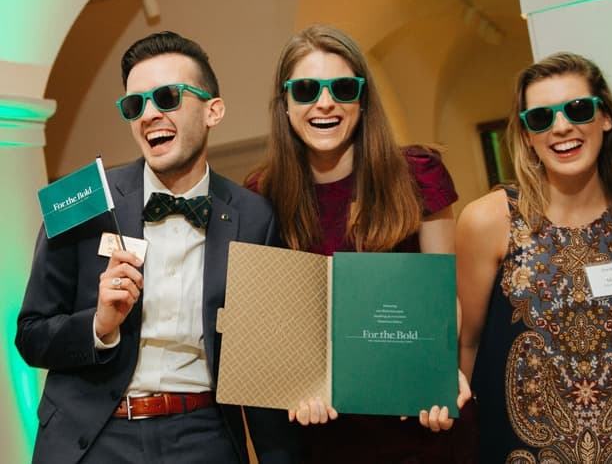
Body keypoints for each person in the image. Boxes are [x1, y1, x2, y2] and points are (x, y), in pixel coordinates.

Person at [16, 31, 299, 464]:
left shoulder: (254, 217)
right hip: (94, 436)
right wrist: (99, 325)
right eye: (135, 105)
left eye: (167, 97)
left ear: (213, 110)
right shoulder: (82, 201)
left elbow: (263, 363)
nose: (149, 114)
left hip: (203, 436)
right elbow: (31, 335)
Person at [245, 24, 477, 464]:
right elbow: (273, 323)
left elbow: (445, 295)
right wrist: (294, 385)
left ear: (362, 98)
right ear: (285, 103)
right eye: (308, 89)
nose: (325, 102)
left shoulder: (418, 174)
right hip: (326, 436)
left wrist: (440, 370)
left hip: (420, 425)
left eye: (343, 87)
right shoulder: (263, 194)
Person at [456, 52, 612, 462]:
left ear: (605, 118)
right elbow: (468, 346)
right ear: (527, 135)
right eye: (541, 118)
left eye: (578, 109)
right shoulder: (488, 221)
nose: (562, 127)